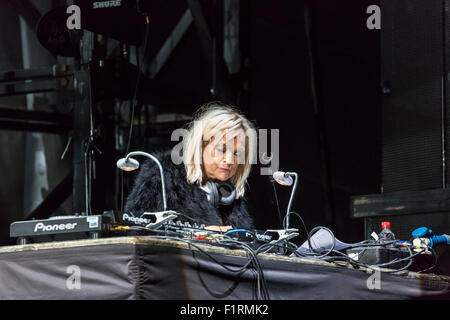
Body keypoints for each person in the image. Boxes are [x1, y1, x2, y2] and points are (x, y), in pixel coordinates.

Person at [124, 102, 256, 230]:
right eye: (221, 149)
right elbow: (135, 229)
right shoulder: (162, 176)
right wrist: (198, 234)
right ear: (200, 145)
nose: (229, 160)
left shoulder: (229, 196)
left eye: (237, 153)